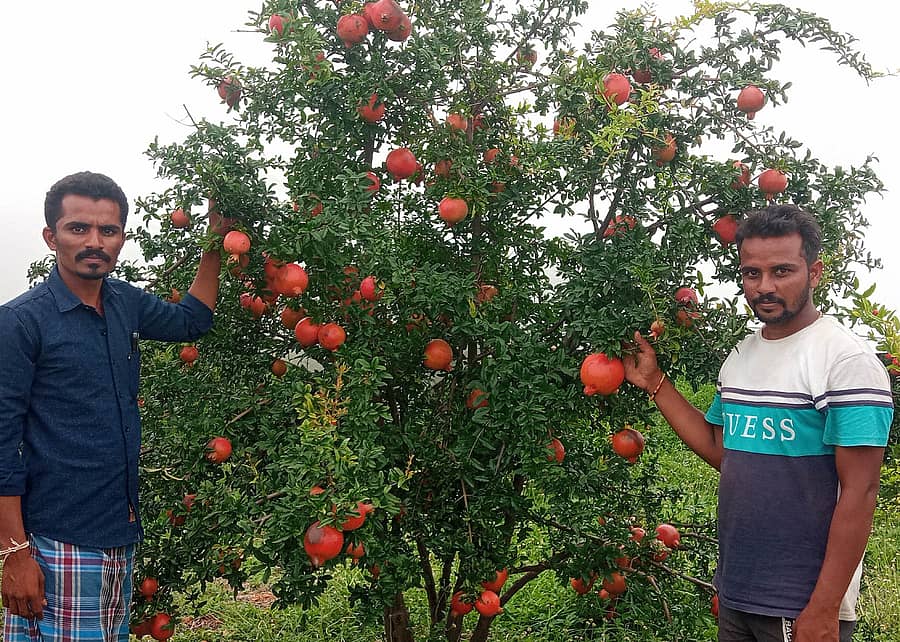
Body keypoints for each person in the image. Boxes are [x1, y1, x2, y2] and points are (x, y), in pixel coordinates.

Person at [623, 205, 893, 642]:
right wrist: (656, 382)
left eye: (781, 271)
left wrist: (824, 608)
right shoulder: (742, 355)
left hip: (801, 602)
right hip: (737, 591)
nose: (764, 286)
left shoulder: (845, 361)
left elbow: (860, 492)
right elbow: (723, 450)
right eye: (752, 273)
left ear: (815, 272)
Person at [0, 171, 226, 641]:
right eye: (78, 228)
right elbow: (2, 444)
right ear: (51, 237)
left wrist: (215, 242)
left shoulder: (124, 302)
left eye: (108, 230)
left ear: (122, 238)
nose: (94, 242)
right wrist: (14, 552)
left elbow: (192, 322)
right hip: (56, 537)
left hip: (118, 532)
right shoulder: (21, 322)